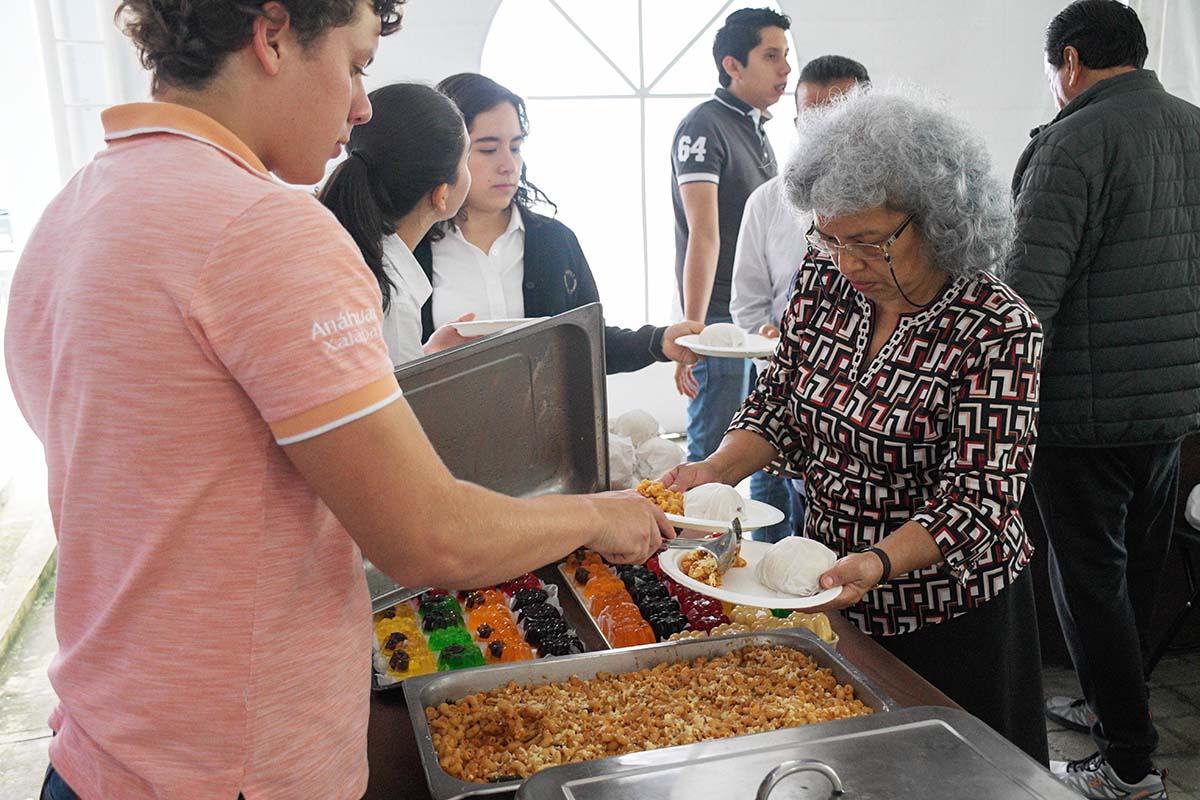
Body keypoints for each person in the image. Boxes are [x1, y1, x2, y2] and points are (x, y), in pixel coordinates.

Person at [3, 3, 671, 798]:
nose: (361, 107)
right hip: (239, 768)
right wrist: (601, 514)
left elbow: (190, 463)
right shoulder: (266, 227)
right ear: (272, 34)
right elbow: (429, 538)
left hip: (102, 747)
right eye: (355, 65)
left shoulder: (75, 208)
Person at [664, 87, 1049, 763]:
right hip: (832, 593)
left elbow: (981, 498)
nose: (846, 262)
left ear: (937, 218)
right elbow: (779, 401)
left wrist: (878, 560)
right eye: (828, 236)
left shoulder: (997, 326)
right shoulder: (825, 279)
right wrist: (712, 471)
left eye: (869, 242)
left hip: (950, 616)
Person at [1006, 2, 1200, 797]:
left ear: (1072, 60)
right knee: (1137, 575)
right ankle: (1113, 708)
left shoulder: (1072, 141)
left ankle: (1128, 765)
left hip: (1082, 414)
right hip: (1174, 403)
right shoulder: (1193, 124)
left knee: (1088, 586)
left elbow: (1027, 295)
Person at [413, 73, 702, 375]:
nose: (508, 165)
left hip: (545, 422)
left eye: (515, 147)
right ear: (447, 153)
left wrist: (658, 341)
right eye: (488, 149)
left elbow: (588, 343)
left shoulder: (555, 241)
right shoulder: (412, 247)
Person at [730, 54, 870, 544]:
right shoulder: (768, 203)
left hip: (858, 428)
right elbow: (747, 300)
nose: (825, 130)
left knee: (829, 546)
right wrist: (765, 338)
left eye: (840, 115)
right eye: (813, 117)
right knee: (771, 546)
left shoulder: (905, 216)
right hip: (778, 394)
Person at [670, 7, 791, 463]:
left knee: (766, 447)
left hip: (756, 314)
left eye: (785, 56)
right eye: (771, 55)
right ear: (732, 66)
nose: (785, 69)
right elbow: (703, 233)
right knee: (712, 454)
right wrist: (693, 333)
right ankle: (697, 537)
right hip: (719, 315)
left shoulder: (756, 130)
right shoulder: (704, 126)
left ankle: (775, 538)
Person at [319, 82, 478, 365]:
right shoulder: (392, 299)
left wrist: (424, 355)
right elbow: (401, 401)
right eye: (467, 158)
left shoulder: (342, 253)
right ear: (441, 195)